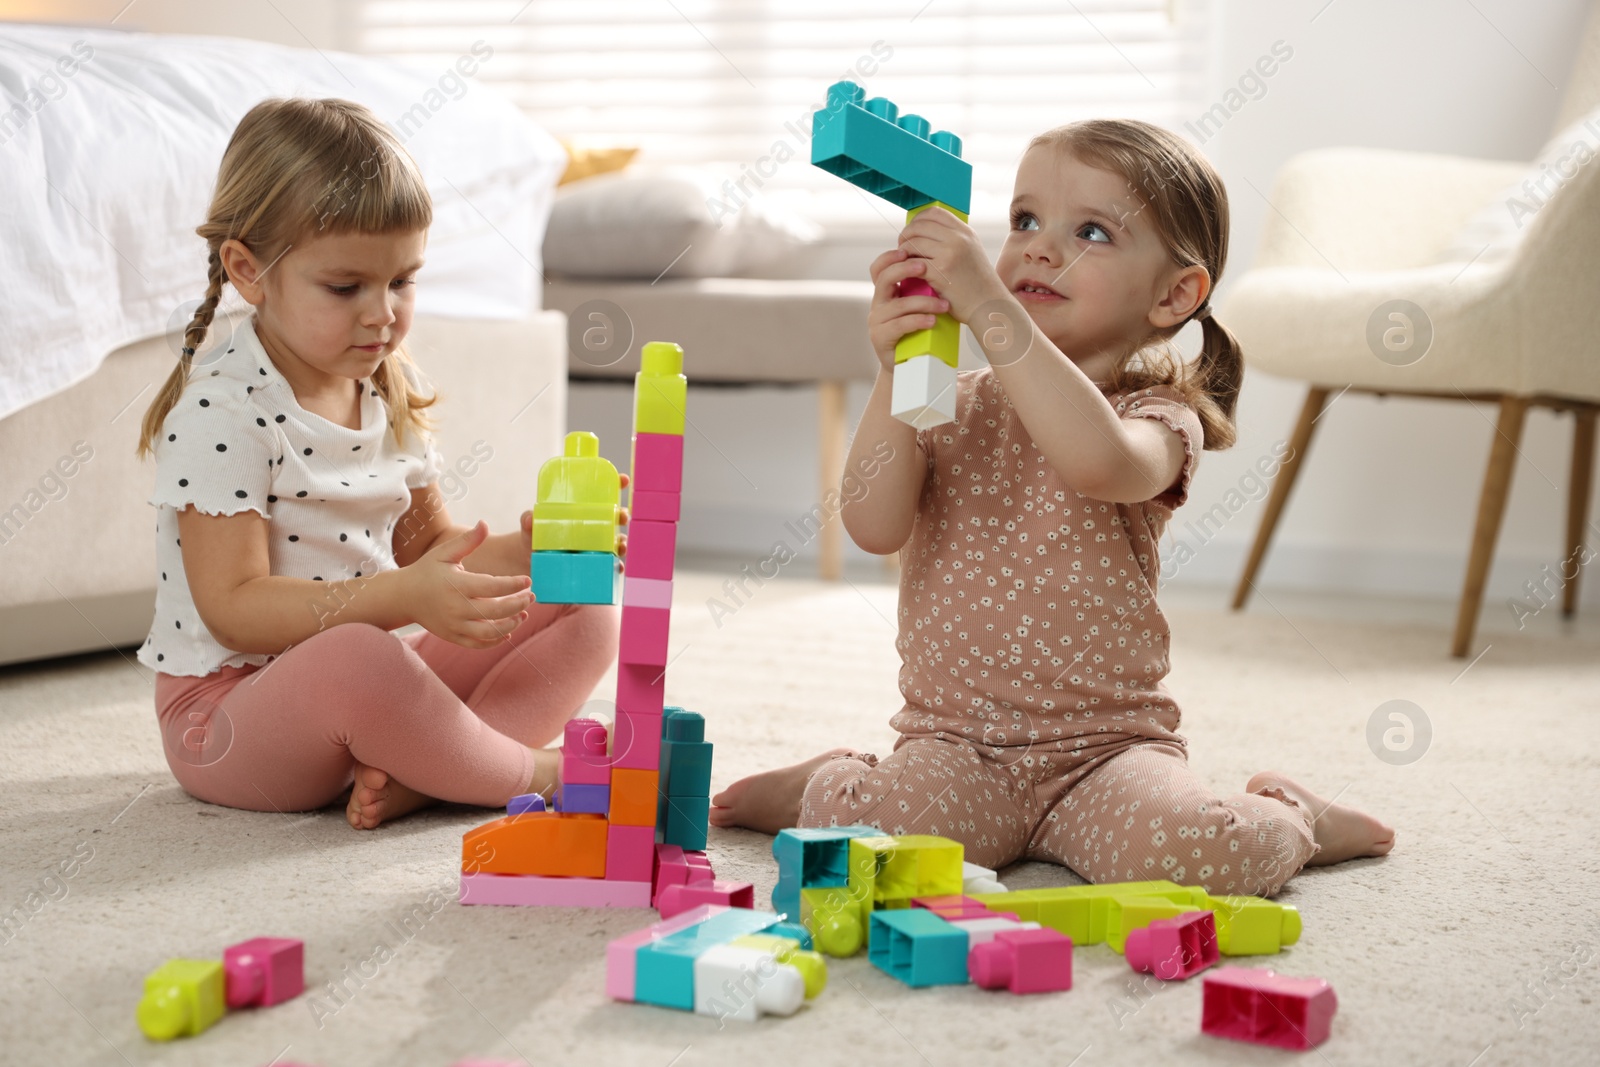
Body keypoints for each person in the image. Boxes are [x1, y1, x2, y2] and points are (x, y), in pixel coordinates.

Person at [710, 120, 1394, 895]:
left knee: (1207, 857)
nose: (1038, 247)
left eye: (1092, 232)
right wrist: (897, 368)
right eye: (1026, 221)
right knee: (860, 841)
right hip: (957, 746)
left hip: (1105, 753)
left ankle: (1296, 813)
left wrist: (987, 303)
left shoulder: (1160, 417)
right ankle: (830, 780)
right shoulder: (952, 400)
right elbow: (874, 525)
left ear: (1173, 295)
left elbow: (1096, 461)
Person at [135, 98, 618, 830]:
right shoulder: (223, 415)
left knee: (586, 611)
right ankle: (529, 772)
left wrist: (544, 547)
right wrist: (400, 599)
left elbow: (435, 557)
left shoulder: (384, 389)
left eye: (402, 282)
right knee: (360, 656)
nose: (383, 313)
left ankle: (433, 770)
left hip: (371, 684)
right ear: (248, 269)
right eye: (346, 287)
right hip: (228, 718)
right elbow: (232, 609)